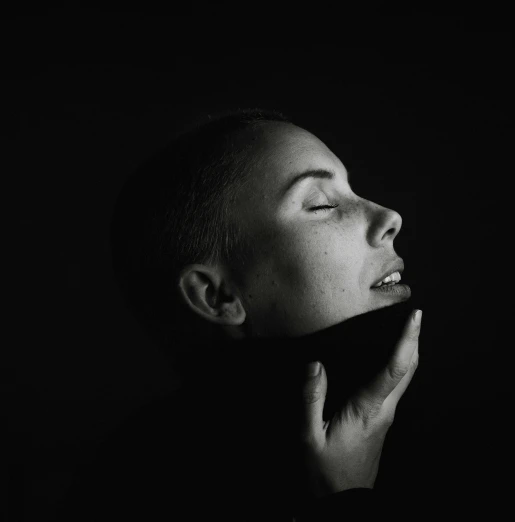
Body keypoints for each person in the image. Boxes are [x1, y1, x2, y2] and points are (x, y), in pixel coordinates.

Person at [57, 109, 422, 521]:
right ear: (218, 296)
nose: (389, 217)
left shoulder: (428, 429)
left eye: (353, 192)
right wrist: (345, 500)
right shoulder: (134, 491)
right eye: (320, 205)